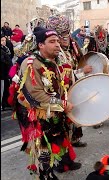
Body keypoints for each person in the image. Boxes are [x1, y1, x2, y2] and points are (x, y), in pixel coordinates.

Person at [16, 27, 81, 179]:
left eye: (58, 41)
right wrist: (62, 104)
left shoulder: (56, 60)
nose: (58, 44)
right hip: (38, 116)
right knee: (43, 152)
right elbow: (36, 94)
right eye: (52, 41)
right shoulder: (31, 64)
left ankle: (61, 165)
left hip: (54, 110)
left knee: (59, 140)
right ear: (40, 45)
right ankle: (45, 176)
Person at [46, 14, 90, 147]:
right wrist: (82, 72)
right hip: (60, 93)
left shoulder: (71, 49)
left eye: (67, 34)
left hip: (73, 88)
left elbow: (75, 65)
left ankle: (74, 139)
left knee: (74, 114)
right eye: (62, 35)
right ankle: (64, 148)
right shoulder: (55, 54)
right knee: (63, 120)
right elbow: (62, 74)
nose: (66, 38)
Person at [1, 34, 12, 111]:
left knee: (5, 88)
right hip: (2, 72)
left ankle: (4, 103)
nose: (4, 42)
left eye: (4, 40)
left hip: (5, 73)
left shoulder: (6, 49)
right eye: (2, 40)